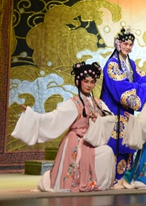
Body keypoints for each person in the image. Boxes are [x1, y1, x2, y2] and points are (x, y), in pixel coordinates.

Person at [11, 62, 116, 192]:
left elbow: (111, 118)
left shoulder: (98, 103)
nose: (89, 85)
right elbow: (53, 118)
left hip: (92, 141)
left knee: (107, 151)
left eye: (92, 82)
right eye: (86, 81)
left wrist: (98, 119)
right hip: (76, 142)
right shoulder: (73, 103)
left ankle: (96, 183)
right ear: (79, 82)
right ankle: (67, 182)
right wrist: (32, 115)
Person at [101, 27, 146, 182]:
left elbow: (142, 78)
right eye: (125, 44)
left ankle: (124, 177)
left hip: (126, 112)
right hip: (114, 110)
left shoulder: (131, 63)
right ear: (118, 44)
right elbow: (121, 87)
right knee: (114, 143)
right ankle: (111, 178)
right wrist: (143, 88)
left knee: (127, 142)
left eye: (130, 44)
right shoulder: (112, 65)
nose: (128, 47)